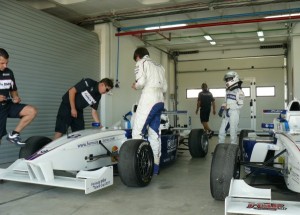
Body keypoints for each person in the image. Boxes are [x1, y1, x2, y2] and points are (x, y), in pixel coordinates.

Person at [131, 47, 167, 175]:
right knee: (154, 133)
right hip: (160, 100)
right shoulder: (160, 66)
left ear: (138, 56)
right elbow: (165, 87)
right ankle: (155, 167)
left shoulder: (142, 62)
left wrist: (135, 85)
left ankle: (137, 168)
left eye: (136, 58)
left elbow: (141, 82)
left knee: (137, 132)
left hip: (149, 98)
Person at [0, 48, 37, 146]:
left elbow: (13, 90)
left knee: (31, 111)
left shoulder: (9, 72)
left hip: (7, 105)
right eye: (2, 63)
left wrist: (16, 97)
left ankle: (13, 135)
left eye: (7, 63)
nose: (5, 66)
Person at [218, 71, 244, 144]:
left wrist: (229, 106)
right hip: (227, 113)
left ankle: (234, 150)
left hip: (234, 113)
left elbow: (240, 105)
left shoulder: (239, 91)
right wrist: (222, 107)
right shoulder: (228, 91)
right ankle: (220, 148)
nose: (227, 81)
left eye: (229, 79)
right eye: (227, 79)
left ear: (234, 79)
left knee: (233, 133)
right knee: (221, 131)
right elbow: (225, 101)